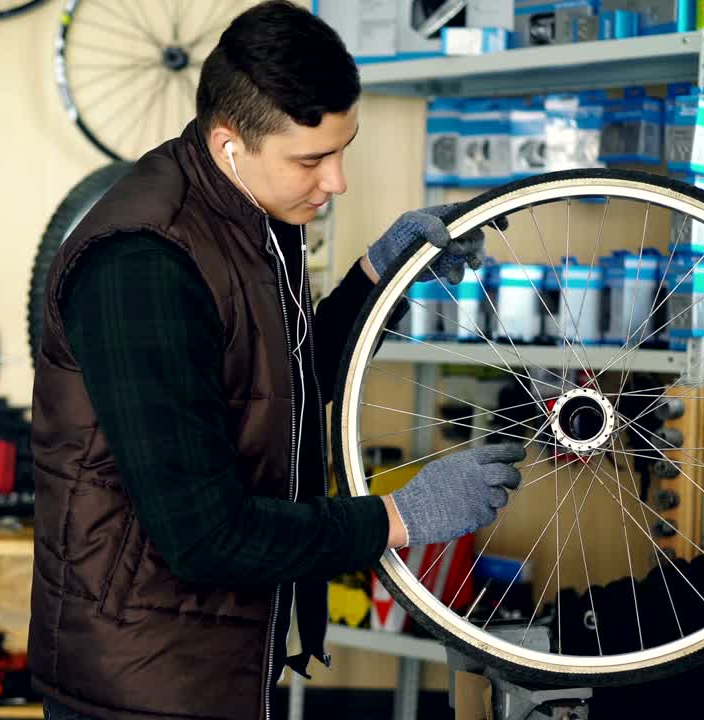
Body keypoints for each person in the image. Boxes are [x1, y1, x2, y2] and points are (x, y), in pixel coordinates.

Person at [28, 3, 524, 719]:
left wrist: (378, 279)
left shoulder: (247, 213)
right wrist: (397, 516)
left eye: (342, 150)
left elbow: (279, 391)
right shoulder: (143, 265)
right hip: (141, 686)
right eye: (312, 159)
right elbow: (206, 536)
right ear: (230, 143)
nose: (337, 182)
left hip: (208, 661)